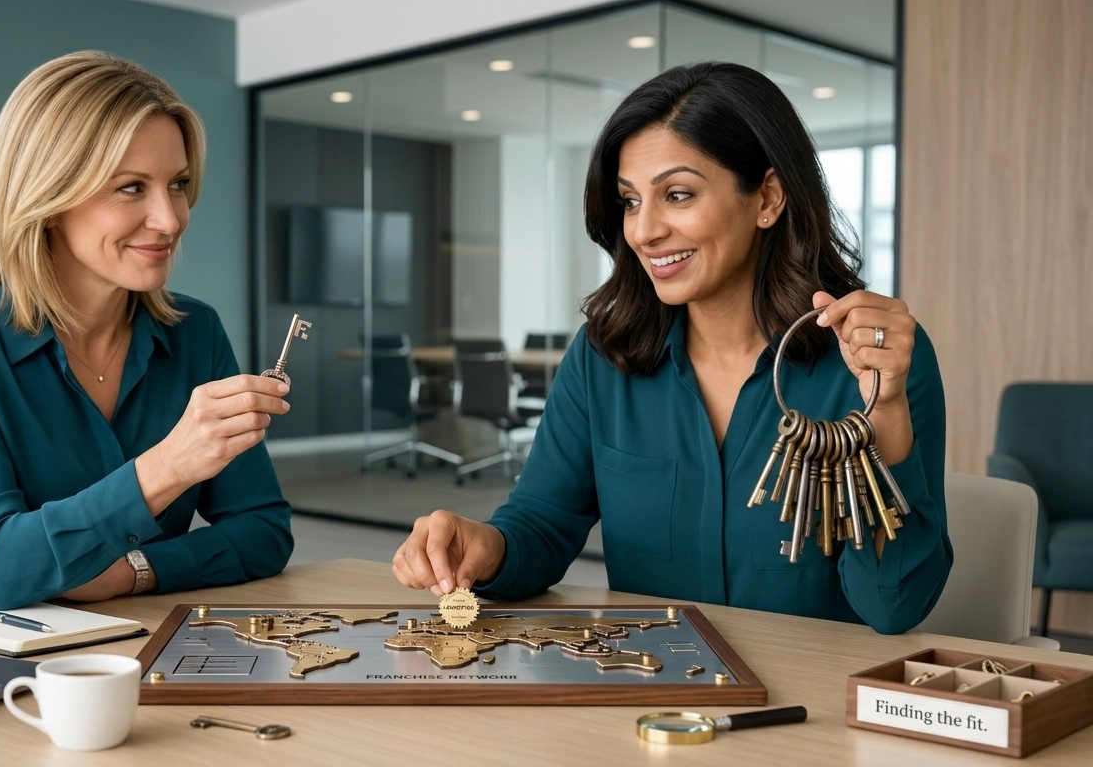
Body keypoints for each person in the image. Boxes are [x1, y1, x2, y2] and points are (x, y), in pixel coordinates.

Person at [393, 62, 951, 634]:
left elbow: (893, 604)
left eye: (677, 195)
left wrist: (884, 417)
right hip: (648, 690)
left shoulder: (875, 362)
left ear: (768, 197)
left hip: (813, 707)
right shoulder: (603, 356)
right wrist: (485, 544)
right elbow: (542, 524)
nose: (643, 231)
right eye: (631, 201)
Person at [0, 51, 293, 611]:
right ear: (48, 199)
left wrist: (134, 572)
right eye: (131, 187)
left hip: (133, 627)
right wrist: (169, 465)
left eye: (177, 184)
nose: (171, 218)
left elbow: (263, 531)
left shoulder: (195, 331)